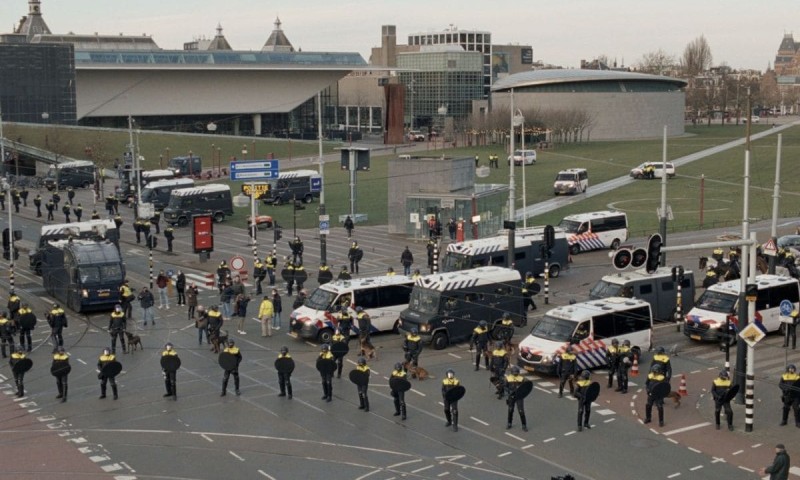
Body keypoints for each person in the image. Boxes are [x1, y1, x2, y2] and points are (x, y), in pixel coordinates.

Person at [505, 366, 528, 431]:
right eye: (514, 372)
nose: (515, 373)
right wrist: (509, 391)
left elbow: (525, 387)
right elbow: (505, 387)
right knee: (510, 410)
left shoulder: (522, 379)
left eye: (516, 372)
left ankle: (524, 425)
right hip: (511, 396)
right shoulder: (508, 378)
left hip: (519, 396)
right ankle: (509, 423)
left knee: (521, 411)